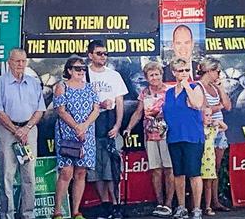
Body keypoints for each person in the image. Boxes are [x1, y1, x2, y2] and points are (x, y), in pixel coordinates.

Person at [0, 48, 45, 219]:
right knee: (7, 176)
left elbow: (40, 110)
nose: (20, 64)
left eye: (23, 61)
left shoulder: (34, 83)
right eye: (17, 61)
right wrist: (16, 130)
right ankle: (7, 215)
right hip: (8, 132)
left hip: (29, 132)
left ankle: (28, 215)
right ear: (9, 62)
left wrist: (26, 129)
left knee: (29, 175)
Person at [123, 61, 174, 218]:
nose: (155, 77)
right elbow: (139, 112)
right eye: (151, 75)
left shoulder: (169, 91)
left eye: (157, 74)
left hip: (168, 135)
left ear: (161, 75)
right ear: (146, 77)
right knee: (156, 170)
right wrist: (129, 128)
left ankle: (169, 204)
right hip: (150, 136)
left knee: (169, 169)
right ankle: (159, 202)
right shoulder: (144, 93)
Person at [52, 56, 100, 219]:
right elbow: (61, 110)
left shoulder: (90, 88)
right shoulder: (62, 86)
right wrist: (76, 127)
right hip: (67, 134)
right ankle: (57, 211)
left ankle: (76, 211)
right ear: (69, 70)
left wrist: (84, 126)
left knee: (81, 173)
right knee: (66, 173)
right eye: (77, 68)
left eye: (83, 68)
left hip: (86, 135)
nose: (81, 71)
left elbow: (96, 110)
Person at [85, 40, 128, 219]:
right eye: (99, 53)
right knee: (96, 171)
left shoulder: (114, 75)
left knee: (112, 169)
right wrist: (99, 105)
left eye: (105, 53)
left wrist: (118, 125)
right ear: (90, 55)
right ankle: (105, 205)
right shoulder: (83, 74)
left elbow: (120, 103)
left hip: (109, 123)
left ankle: (117, 204)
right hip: (90, 126)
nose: (103, 56)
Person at [162, 57, 205, 219]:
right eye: (180, 70)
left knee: (194, 173)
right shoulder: (169, 92)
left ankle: (197, 208)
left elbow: (197, 104)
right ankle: (181, 206)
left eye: (187, 70)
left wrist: (186, 85)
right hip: (174, 137)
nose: (184, 73)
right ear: (174, 72)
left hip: (192, 136)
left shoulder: (196, 87)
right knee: (178, 173)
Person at [195, 57, 232, 213]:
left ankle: (214, 201)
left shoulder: (215, 87)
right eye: (217, 71)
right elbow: (204, 109)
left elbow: (228, 106)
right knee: (203, 168)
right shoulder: (198, 87)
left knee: (215, 168)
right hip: (207, 131)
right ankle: (202, 202)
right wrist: (219, 106)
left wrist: (221, 89)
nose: (219, 74)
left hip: (219, 131)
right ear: (209, 71)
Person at [199, 107, 227, 217]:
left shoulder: (212, 130)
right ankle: (194, 206)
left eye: (210, 115)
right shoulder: (198, 129)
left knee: (208, 184)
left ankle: (208, 206)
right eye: (207, 115)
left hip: (209, 161)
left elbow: (225, 127)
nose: (209, 118)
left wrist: (218, 121)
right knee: (196, 183)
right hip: (199, 160)